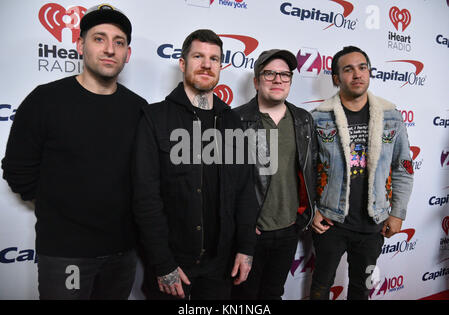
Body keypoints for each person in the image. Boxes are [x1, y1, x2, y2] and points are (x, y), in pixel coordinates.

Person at [2, 4, 147, 299]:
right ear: (80, 46)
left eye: (119, 42)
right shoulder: (45, 100)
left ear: (127, 54)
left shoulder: (139, 109)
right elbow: (18, 170)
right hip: (66, 255)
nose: (109, 49)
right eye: (99, 38)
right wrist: (63, 209)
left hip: (122, 254)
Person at [133, 29, 258, 300]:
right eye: (198, 56)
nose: (206, 64)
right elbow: (145, 197)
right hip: (173, 263)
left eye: (214, 59)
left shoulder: (232, 121)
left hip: (221, 265)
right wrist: (163, 263)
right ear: (182, 63)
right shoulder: (155, 118)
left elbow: (246, 191)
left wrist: (246, 247)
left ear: (220, 67)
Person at [309, 46, 414, 300]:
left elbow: (403, 168)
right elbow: (305, 170)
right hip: (331, 223)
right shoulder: (318, 118)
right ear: (336, 78)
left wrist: (397, 213)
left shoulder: (391, 116)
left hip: (373, 224)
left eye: (362, 67)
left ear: (369, 72)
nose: (357, 74)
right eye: (348, 69)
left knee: (362, 287)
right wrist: (313, 210)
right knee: (321, 287)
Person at [231, 49, 317, 300]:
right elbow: (228, 183)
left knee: (273, 294)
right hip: (250, 234)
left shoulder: (303, 120)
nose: (278, 80)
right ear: (257, 81)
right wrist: (244, 226)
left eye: (284, 75)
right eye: (269, 74)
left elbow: (310, 170)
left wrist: (304, 216)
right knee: (243, 296)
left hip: (289, 229)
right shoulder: (237, 119)